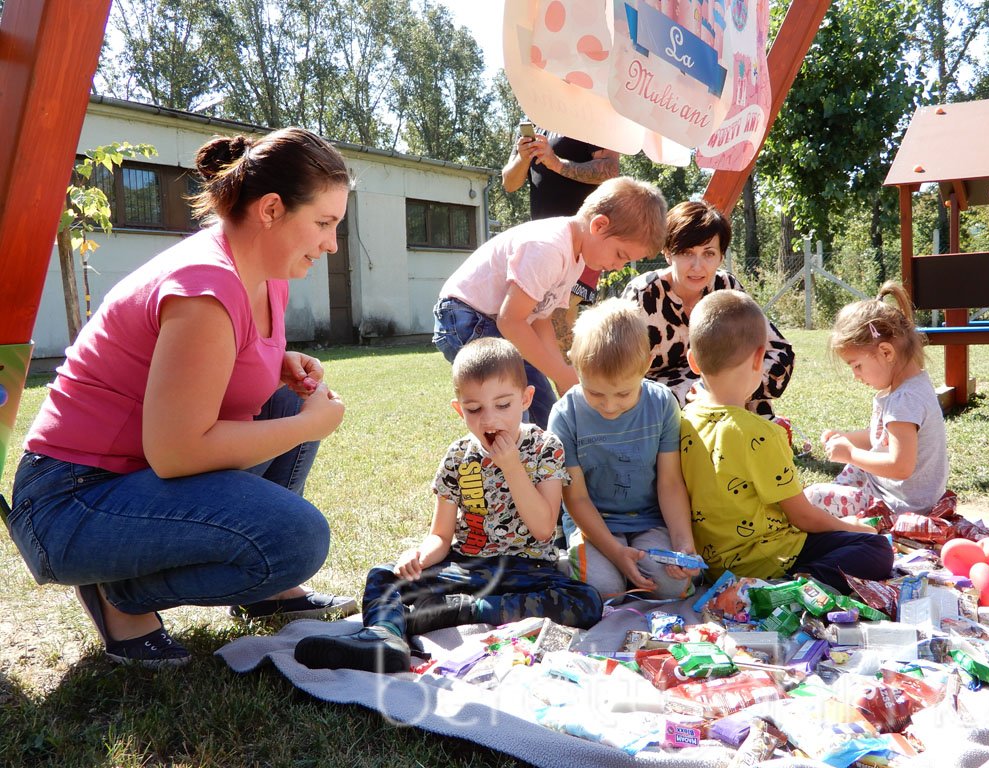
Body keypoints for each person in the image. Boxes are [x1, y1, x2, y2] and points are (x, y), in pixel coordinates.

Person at [8, 127, 352, 668]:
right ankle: (121, 593)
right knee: (296, 539)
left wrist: (273, 364)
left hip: (130, 482)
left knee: (287, 401)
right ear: (270, 209)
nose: (332, 242)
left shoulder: (266, 271)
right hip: (69, 500)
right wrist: (311, 426)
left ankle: (260, 593)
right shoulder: (205, 287)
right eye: (325, 223)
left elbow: (201, 367)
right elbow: (177, 452)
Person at [294, 338, 603, 673]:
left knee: (587, 602)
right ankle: (383, 637)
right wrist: (418, 557)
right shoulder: (458, 455)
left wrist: (512, 467)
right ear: (459, 409)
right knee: (384, 576)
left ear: (526, 399)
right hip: (468, 567)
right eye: (474, 409)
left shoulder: (545, 447)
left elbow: (544, 529)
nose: (489, 420)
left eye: (503, 405)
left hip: (528, 571)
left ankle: (465, 611)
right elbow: (440, 536)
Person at [680, 290, 893, 594]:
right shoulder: (761, 433)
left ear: (694, 362)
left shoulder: (684, 419)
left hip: (714, 567)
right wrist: (855, 527)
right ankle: (791, 589)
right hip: (774, 558)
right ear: (759, 359)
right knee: (876, 549)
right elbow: (803, 516)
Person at [432, 177, 667, 429]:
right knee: (508, 407)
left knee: (543, 407)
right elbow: (510, 321)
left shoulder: (577, 258)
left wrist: (562, 375)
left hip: (498, 322)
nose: (618, 266)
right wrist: (561, 373)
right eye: (620, 255)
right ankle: (504, 463)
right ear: (599, 226)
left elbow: (540, 318)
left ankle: (538, 462)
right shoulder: (549, 248)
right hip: (466, 316)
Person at [549, 298, 700, 602]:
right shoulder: (565, 415)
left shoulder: (662, 404)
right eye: (595, 393)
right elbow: (575, 498)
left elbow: (670, 483)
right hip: (594, 524)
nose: (609, 405)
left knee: (671, 587)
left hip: (649, 519)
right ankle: (569, 563)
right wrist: (617, 554)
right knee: (605, 591)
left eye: (623, 393)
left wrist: (683, 543)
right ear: (574, 364)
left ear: (646, 366)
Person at [622, 200, 794, 417]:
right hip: (660, 402)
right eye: (686, 252)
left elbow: (780, 353)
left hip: (725, 388)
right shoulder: (642, 295)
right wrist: (688, 392)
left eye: (709, 253)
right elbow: (619, 371)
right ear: (667, 253)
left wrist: (724, 389)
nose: (697, 266)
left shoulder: (727, 288)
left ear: (721, 256)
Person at [804, 282, 949, 518]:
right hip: (894, 493)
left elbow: (900, 466)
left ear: (886, 352)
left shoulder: (905, 399)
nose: (856, 376)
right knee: (854, 469)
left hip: (900, 505)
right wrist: (846, 438)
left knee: (813, 498)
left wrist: (850, 453)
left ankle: (846, 520)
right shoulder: (909, 386)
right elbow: (883, 439)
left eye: (857, 366)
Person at [501, 125, 621, 346]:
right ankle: (574, 378)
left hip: (585, 243)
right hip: (543, 246)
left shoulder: (586, 114)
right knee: (546, 319)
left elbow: (611, 169)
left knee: (558, 316)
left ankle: (571, 379)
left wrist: (555, 163)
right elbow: (509, 183)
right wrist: (523, 158)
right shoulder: (532, 124)